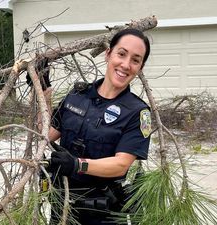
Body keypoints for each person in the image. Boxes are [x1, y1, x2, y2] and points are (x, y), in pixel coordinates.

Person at [33, 28, 152, 225]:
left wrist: (77, 165)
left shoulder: (138, 113)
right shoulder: (77, 96)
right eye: (121, 54)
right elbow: (46, 133)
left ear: (140, 67)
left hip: (103, 215)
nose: (126, 64)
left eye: (135, 60)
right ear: (108, 54)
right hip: (62, 209)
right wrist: (43, 89)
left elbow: (121, 164)